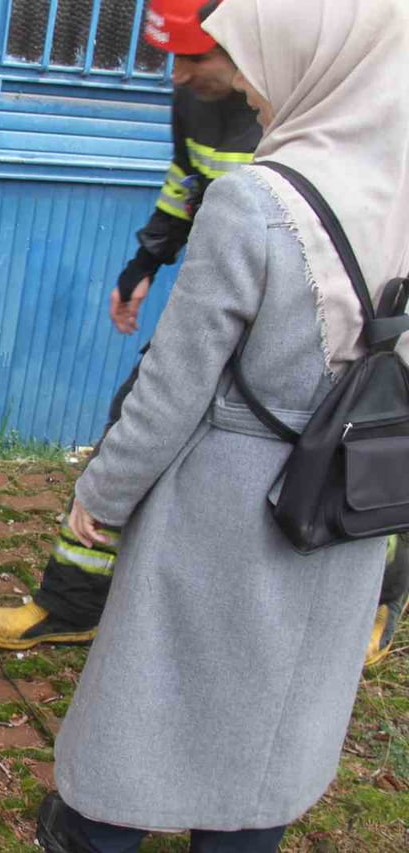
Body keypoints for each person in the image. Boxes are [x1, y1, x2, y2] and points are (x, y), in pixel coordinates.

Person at [37, 0, 409, 850]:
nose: (244, 84)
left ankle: (94, 830)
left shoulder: (257, 199)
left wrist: (103, 494)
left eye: (254, 63)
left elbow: (175, 381)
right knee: (283, 697)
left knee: (155, 685)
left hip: (233, 493)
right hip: (352, 496)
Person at [0, 0, 409, 667]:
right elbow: (186, 185)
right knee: (139, 419)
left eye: (195, 57)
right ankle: (74, 600)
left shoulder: (335, 112)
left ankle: (375, 599)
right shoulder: (207, 105)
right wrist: (146, 260)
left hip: (350, 346)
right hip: (235, 318)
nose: (179, 77)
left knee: (367, 456)